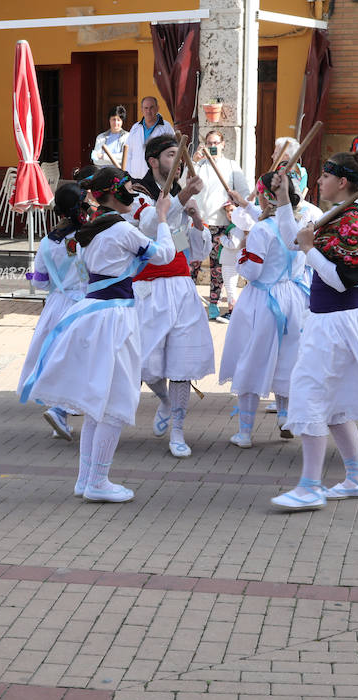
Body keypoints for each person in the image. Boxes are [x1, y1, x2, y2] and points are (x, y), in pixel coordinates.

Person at [17, 166, 176, 503]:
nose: (132, 194)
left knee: (96, 402)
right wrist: (162, 218)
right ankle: (99, 481)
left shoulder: (92, 230)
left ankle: (86, 478)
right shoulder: (120, 230)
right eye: (128, 189)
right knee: (116, 399)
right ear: (117, 192)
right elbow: (164, 255)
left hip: (92, 316)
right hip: (114, 319)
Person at [271, 148, 358, 510]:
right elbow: (294, 237)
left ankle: (310, 486)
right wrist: (282, 199)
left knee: (311, 396)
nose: (318, 181)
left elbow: (339, 281)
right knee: (331, 402)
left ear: (342, 182)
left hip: (339, 319)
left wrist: (309, 251)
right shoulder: (337, 216)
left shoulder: (352, 221)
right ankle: (355, 477)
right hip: (331, 319)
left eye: (324, 175)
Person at [219, 171, 321, 447]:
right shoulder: (300, 224)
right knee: (287, 357)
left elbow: (252, 271)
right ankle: (285, 416)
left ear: (265, 196)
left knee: (252, 358)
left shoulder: (262, 230)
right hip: (296, 298)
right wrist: (244, 204)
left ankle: (244, 431)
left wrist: (240, 255)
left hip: (264, 299)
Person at [133, 133, 215, 458]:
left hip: (181, 287)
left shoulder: (183, 196)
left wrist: (196, 219)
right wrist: (180, 199)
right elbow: (149, 228)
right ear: (153, 161)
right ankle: (164, 401)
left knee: (181, 363)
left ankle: (178, 431)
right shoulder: (136, 193)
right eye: (170, 155)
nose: (177, 161)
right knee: (144, 361)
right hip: (148, 288)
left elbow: (196, 251)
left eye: (178, 156)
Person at [17, 182, 91, 441]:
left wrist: (35, 276)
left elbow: (39, 281)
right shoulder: (91, 236)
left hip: (57, 305)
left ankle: (60, 412)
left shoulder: (49, 242)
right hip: (86, 304)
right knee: (81, 359)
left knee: (57, 358)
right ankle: (62, 409)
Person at [190, 130, 249, 318]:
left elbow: (244, 193)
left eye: (216, 143)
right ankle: (188, 301)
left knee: (217, 267)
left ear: (223, 144)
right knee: (193, 263)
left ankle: (214, 303)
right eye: (209, 143)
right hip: (200, 223)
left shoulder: (232, 166)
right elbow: (185, 184)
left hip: (222, 224)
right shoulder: (199, 166)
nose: (213, 146)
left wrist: (234, 202)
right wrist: (194, 161)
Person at [123, 97, 173, 179]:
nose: (148, 111)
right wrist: (127, 175)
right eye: (146, 108)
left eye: (151, 107)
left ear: (157, 108)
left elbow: (172, 153)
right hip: (136, 178)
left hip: (158, 179)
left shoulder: (166, 127)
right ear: (141, 109)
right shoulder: (135, 128)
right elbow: (128, 153)